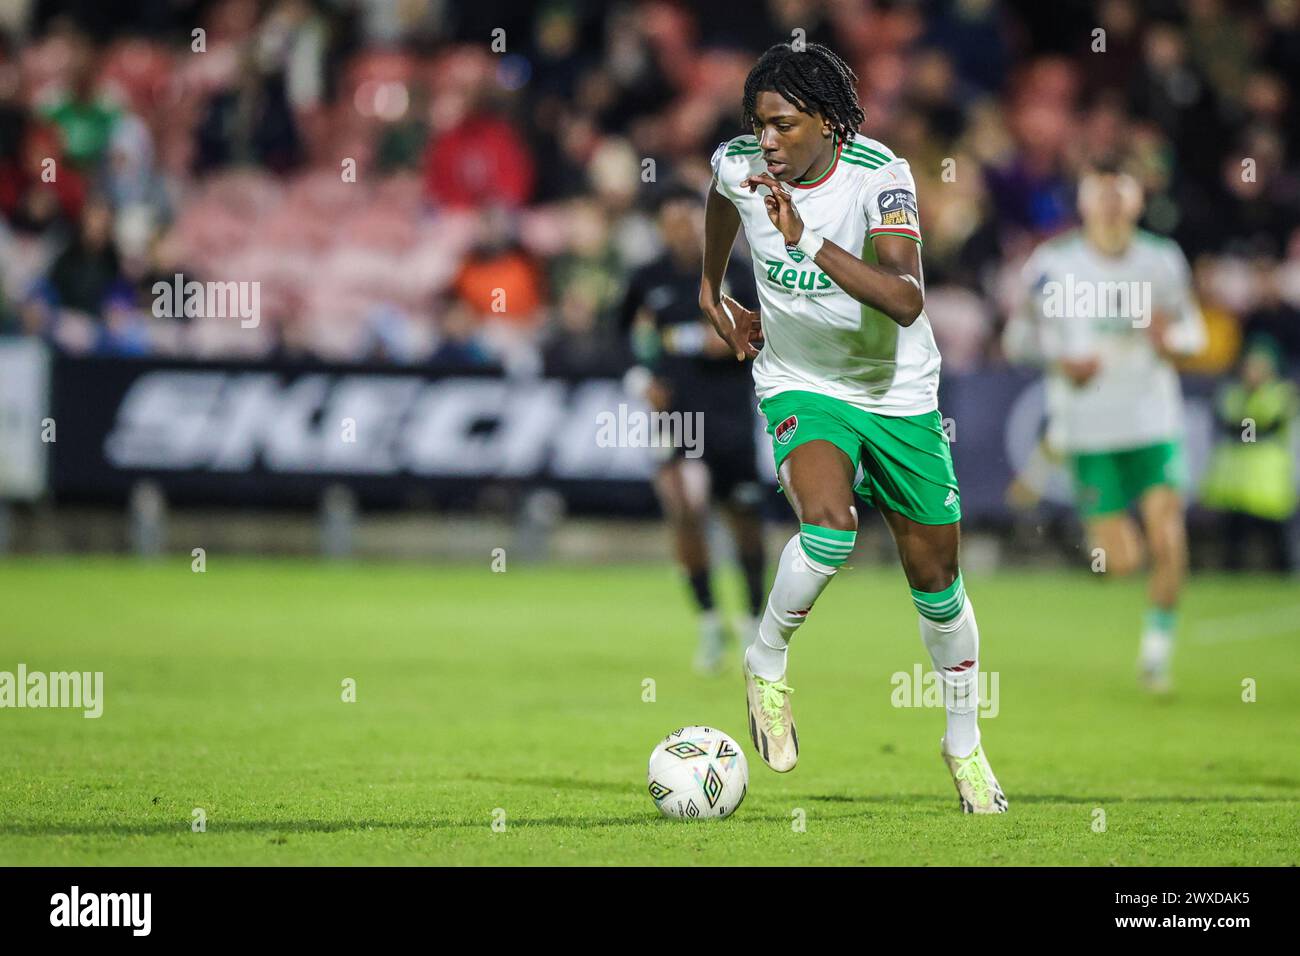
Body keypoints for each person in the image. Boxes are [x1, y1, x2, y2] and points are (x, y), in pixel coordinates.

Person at [700, 43, 1006, 813]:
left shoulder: (882, 176)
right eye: (758, 123)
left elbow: (905, 298)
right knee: (829, 529)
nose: (765, 139)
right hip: (801, 381)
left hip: (897, 392)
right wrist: (711, 289)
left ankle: (963, 743)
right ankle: (765, 660)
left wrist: (805, 238)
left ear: (829, 122)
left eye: (783, 123)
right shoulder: (740, 165)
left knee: (938, 585)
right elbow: (718, 196)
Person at [1005, 159, 1207, 693]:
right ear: (1085, 201)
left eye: (1122, 193)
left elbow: (1194, 331)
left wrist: (1174, 342)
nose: (1113, 204)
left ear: (1138, 200)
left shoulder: (1161, 261)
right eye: (1102, 193)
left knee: (1168, 534)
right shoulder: (1052, 263)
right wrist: (1060, 360)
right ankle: (1134, 569)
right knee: (1121, 561)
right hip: (1089, 429)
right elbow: (1015, 339)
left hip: (1152, 419)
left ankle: (1156, 653)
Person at [621, 185, 767, 674]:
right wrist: (640, 375)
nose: (681, 230)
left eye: (689, 219)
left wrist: (732, 341)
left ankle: (750, 619)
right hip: (676, 416)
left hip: (728, 413)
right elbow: (618, 334)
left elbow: (766, 332)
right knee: (683, 507)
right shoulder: (648, 278)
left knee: (743, 517)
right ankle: (708, 621)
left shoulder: (740, 273)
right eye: (672, 221)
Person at [1199, 335, 1297, 572]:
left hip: (1267, 483)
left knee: (1275, 538)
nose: (1253, 372)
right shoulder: (1232, 394)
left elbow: (1260, 428)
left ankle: (1285, 575)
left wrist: (1245, 427)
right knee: (1233, 539)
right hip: (1235, 482)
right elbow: (1228, 425)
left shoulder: (1281, 394)